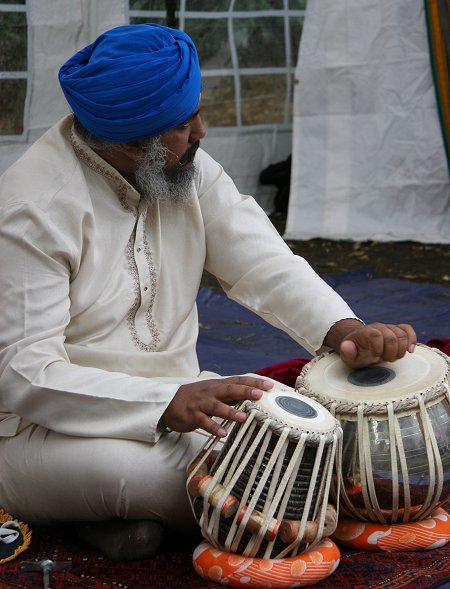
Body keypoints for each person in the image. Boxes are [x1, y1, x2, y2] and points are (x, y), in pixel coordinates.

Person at [0, 23, 416, 561]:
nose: (203, 130)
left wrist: (346, 330)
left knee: (298, 444)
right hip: (41, 435)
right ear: (129, 140)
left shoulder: (184, 169)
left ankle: (112, 515)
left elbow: (264, 261)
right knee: (232, 482)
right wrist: (164, 400)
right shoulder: (34, 210)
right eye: (183, 123)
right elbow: (21, 372)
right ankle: (105, 504)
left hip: (182, 404)